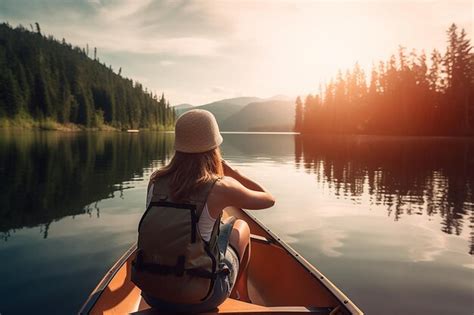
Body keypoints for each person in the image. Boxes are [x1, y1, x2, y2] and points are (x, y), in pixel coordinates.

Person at [132, 109, 275, 312]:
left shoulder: (156, 180)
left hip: (152, 293)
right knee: (241, 226)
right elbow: (268, 199)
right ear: (214, 146)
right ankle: (239, 295)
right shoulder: (220, 186)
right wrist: (234, 173)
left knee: (214, 226)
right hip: (203, 296)